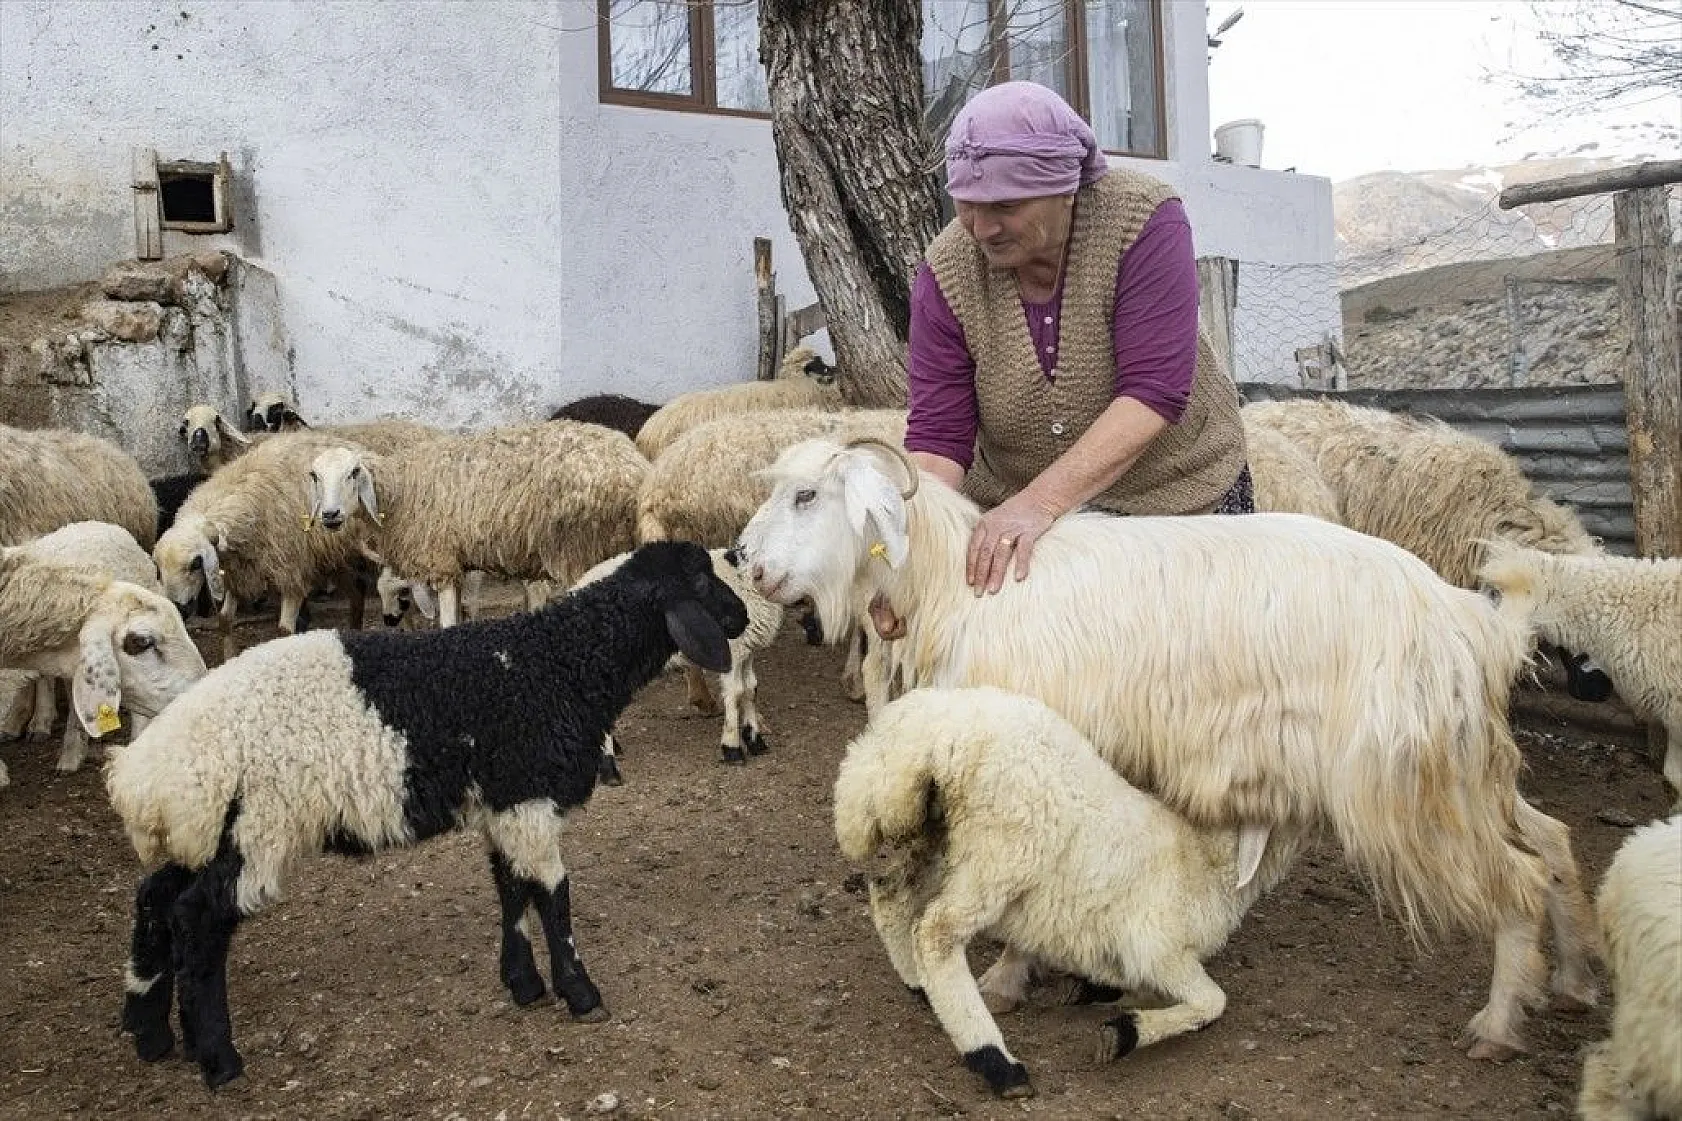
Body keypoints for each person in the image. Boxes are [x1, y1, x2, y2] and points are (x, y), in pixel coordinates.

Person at [906, 80, 1252, 595]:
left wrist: (1036, 505)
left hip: (1180, 498)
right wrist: (907, 562)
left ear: (1065, 188)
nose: (981, 228)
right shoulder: (948, 272)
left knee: (1201, 662)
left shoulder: (1142, 220)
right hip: (1022, 513)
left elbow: (1152, 392)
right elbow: (938, 439)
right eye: (967, 205)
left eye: (1004, 205)